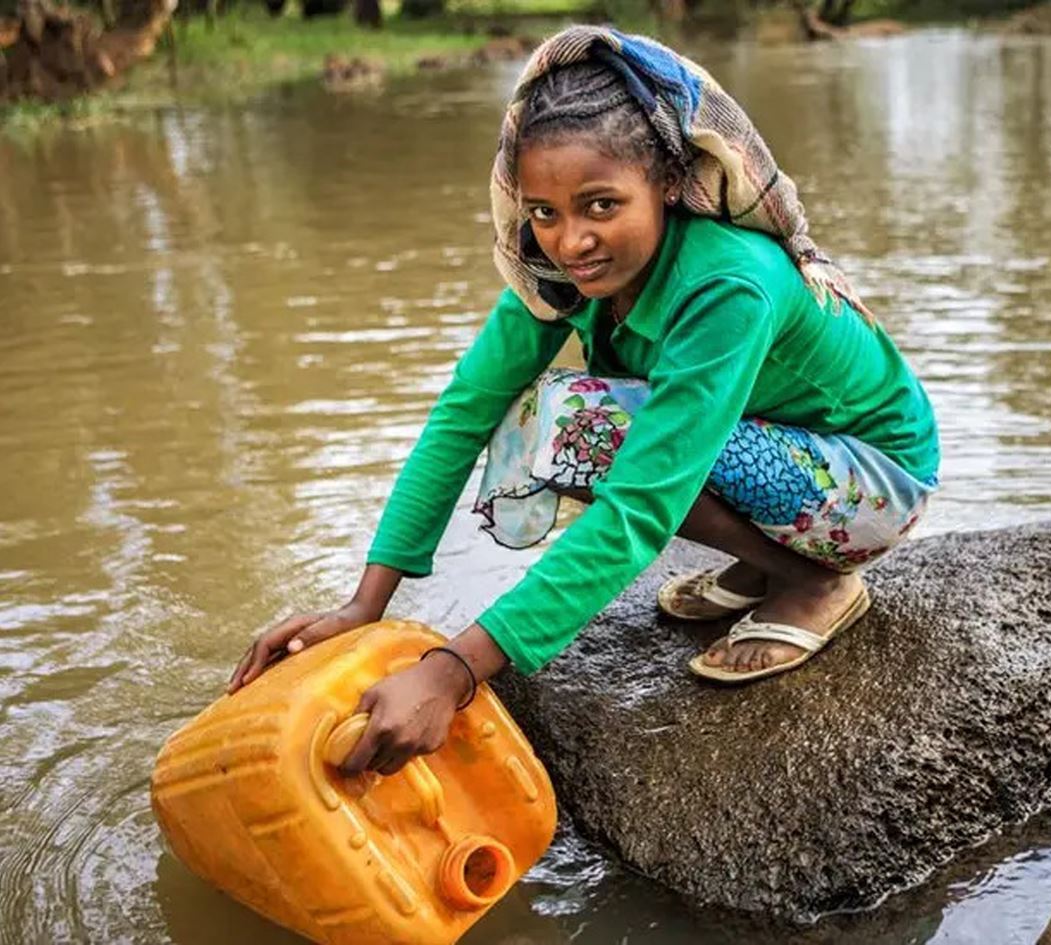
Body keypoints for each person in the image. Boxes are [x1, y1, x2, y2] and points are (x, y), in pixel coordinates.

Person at [226, 27, 940, 778]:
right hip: (772, 447)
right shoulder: (558, 277)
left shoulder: (727, 284)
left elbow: (641, 503)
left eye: (601, 205)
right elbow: (463, 414)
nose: (572, 243)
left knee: (590, 428)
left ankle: (815, 579)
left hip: (873, 480)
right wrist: (361, 607)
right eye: (545, 212)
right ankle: (768, 565)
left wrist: (454, 669)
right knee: (556, 418)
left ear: (668, 183)